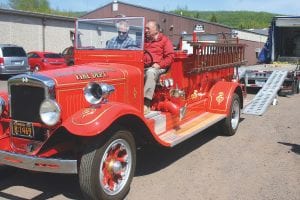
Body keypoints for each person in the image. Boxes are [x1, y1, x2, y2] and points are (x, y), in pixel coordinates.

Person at [144, 20, 175, 114]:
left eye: (148, 28)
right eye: (145, 28)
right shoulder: (144, 40)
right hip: (144, 65)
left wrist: (159, 65)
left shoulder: (164, 40)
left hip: (159, 67)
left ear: (156, 30)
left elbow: (170, 57)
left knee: (150, 72)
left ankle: (146, 103)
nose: (145, 30)